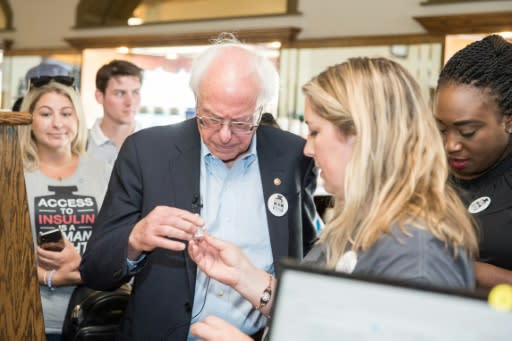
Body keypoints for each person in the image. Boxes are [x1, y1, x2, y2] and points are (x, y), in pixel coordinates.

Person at [187, 57, 479, 340]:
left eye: (315, 132)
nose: (307, 150)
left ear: (363, 137)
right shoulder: (360, 222)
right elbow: (320, 315)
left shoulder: (417, 254)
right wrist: (244, 275)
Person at [80, 34, 318, 340]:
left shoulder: (293, 155)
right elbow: (94, 269)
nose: (225, 135)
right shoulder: (147, 151)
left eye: (243, 123)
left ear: (262, 108)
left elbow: (308, 258)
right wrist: (135, 239)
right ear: (196, 100)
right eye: (211, 118)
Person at [18, 77, 111, 340]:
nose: (58, 123)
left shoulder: (103, 172)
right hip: (32, 317)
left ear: (78, 119)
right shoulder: (13, 175)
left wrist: (86, 269)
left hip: (96, 315)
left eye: (66, 113)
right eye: (46, 114)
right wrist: (49, 277)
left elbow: (118, 240)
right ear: (30, 120)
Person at [434, 34, 512, 289]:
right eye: (442, 128)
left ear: (508, 120)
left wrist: (470, 272)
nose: (451, 145)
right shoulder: (427, 174)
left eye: (467, 131)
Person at [87, 59, 144, 165]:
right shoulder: (79, 146)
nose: (130, 102)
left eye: (135, 92)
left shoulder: (153, 143)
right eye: (120, 93)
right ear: (99, 96)